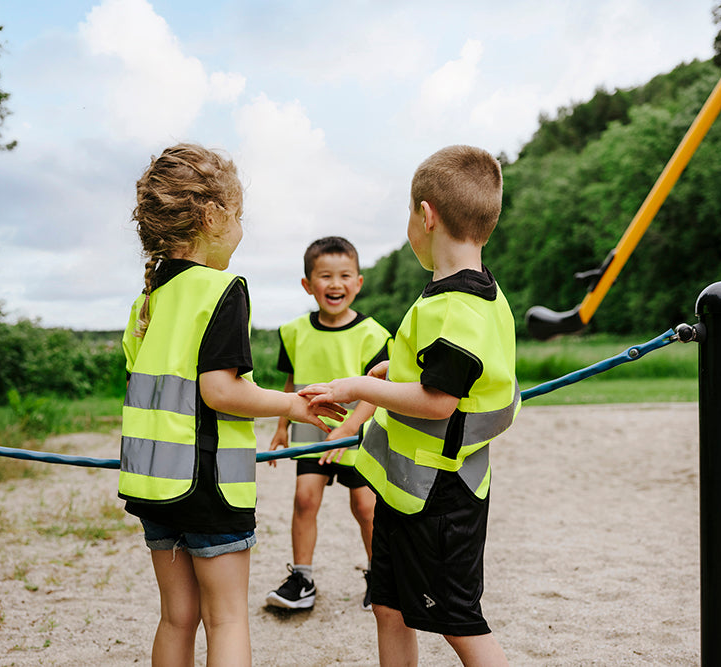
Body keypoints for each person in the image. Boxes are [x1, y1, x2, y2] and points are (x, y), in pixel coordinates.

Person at [118, 143, 344, 667]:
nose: (241, 227)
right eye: (238, 215)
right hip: (209, 485)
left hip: (155, 484)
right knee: (227, 619)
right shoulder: (222, 289)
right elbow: (219, 391)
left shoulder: (146, 300)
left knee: (176, 617)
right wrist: (293, 406)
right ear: (213, 216)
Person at [300, 145, 519, 666]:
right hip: (405, 492)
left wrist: (358, 387)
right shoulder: (452, 296)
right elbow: (439, 374)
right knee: (388, 607)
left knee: (460, 623)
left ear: (426, 215)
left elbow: (439, 401)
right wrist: (389, 374)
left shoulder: (458, 309)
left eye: (407, 213)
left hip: (442, 496)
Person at [265, 237, 391, 612]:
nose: (335, 284)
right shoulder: (293, 332)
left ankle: (379, 575)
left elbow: (378, 391)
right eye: (325, 276)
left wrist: (349, 428)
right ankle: (302, 578)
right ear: (308, 285)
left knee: (365, 507)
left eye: (344, 275)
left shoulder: (375, 334)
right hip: (311, 431)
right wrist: (281, 427)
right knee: (305, 500)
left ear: (358, 283)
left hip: (359, 432)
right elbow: (290, 384)